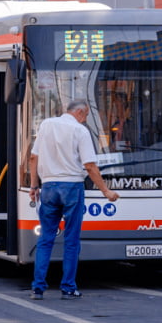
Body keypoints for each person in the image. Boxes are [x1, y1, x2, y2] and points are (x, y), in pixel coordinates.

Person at [28, 99, 119, 300]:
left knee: (46, 239)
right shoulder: (80, 131)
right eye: (85, 116)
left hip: (49, 186)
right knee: (71, 240)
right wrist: (106, 191)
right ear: (79, 112)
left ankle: (38, 288)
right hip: (72, 187)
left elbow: (33, 158)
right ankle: (68, 287)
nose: (85, 120)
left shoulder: (46, 125)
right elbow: (90, 166)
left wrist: (34, 186)